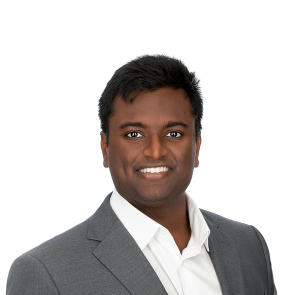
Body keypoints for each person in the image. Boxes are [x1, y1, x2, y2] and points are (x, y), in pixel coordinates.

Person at [6, 55, 277, 295]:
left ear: (196, 147)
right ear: (105, 147)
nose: (155, 151)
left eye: (174, 134)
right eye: (134, 134)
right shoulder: (46, 273)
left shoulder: (248, 246)